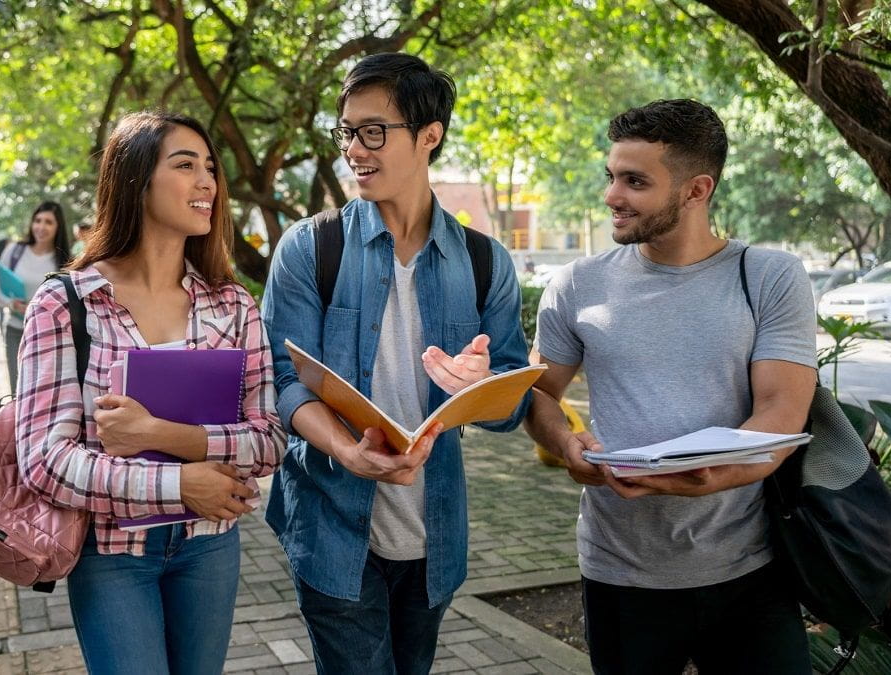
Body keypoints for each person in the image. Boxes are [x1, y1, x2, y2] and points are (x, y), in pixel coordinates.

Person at [261, 53, 531, 675]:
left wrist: (483, 387)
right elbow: (279, 380)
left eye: (373, 131)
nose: (355, 148)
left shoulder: (486, 263)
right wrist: (348, 451)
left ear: (429, 135)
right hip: (331, 524)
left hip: (433, 536)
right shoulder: (310, 247)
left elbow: (511, 407)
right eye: (347, 132)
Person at [525, 99, 816, 674]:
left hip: (749, 571)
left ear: (695, 189)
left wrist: (711, 476)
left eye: (635, 181)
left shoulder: (769, 277)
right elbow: (537, 393)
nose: (612, 195)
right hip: (620, 571)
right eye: (611, 176)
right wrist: (565, 444)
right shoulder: (578, 283)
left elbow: (782, 412)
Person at [15, 111, 286, 675]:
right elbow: (44, 461)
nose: (207, 182)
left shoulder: (232, 304)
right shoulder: (66, 304)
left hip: (209, 545)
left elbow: (269, 441)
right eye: (185, 165)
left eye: (210, 167)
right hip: (112, 554)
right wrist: (180, 482)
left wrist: (161, 436)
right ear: (135, 180)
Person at [0, 201, 73, 392]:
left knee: (45, 393)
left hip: (50, 336)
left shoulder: (65, 260)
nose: (41, 227)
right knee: (18, 393)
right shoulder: (15, 251)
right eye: (38, 220)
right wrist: (12, 304)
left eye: (49, 222)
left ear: (58, 227)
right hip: (16, 331)